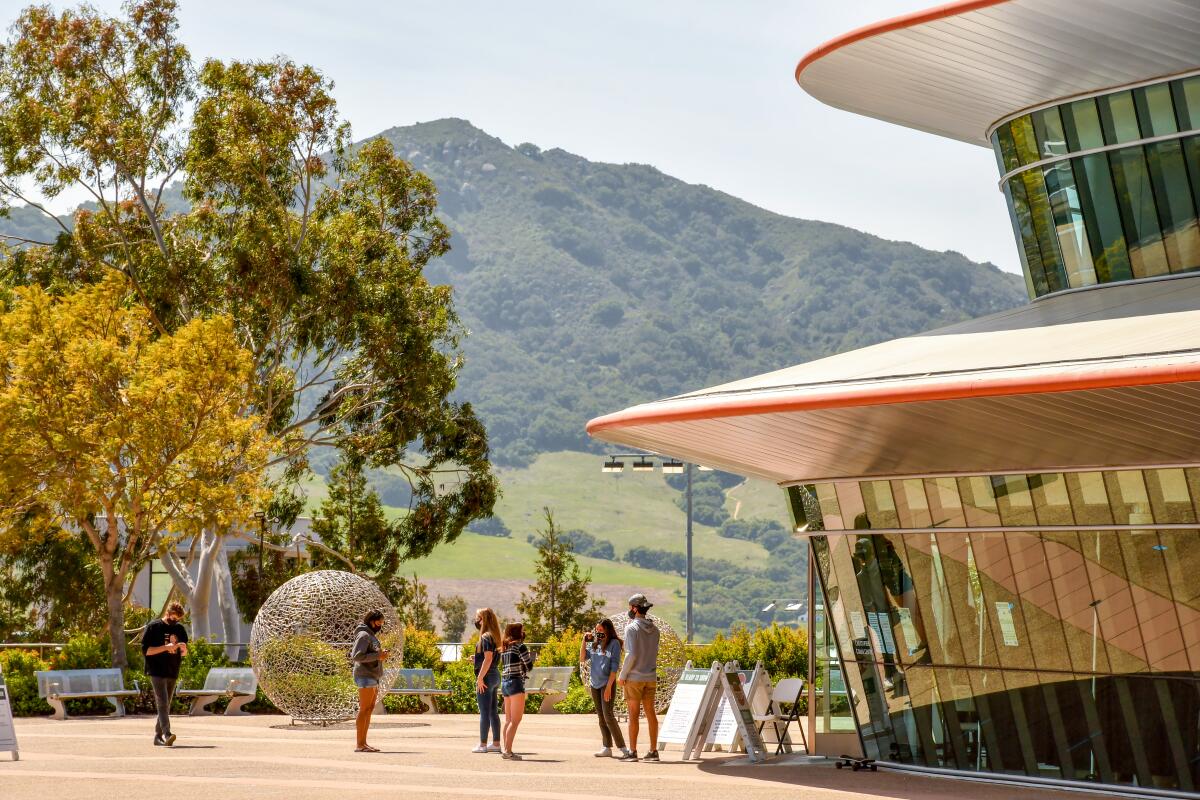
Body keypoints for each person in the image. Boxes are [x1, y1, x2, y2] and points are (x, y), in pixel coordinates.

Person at [617, 593, 660, 762]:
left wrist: (623, 675)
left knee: (633, 714)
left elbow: (631, 654)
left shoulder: (631, 628)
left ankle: (633, 751)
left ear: (634, 608)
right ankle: (653, 750)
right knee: (651, 714)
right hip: (651, 676)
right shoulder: (655, 630)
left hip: (634, 676)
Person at [580, 618, 630, 758]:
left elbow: (614, 667)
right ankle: (606, 746)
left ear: (608, 630)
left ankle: (623, 748)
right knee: (601, 716)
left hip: (607, 683)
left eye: (601, 630)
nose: (598, 632)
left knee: (608, 715)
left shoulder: (614, 644)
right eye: (597, 630)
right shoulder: (595, 644)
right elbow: (582, 658)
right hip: (594, 683)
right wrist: (584, 641)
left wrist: (609, 687)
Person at [141, 601, 189, 747]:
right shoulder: (153, 627)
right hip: (156, 670)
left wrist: (182, 647)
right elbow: (147, 651)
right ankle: (167, 733)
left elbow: (185, 653)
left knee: (166, 704)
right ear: (167, 613)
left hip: (172, 669)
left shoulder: (180, 629)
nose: (174, 622)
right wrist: (165, 647)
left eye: (177, 620)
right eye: (173, 618)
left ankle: (157, 736)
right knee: (162, 702)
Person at [349, 609, 390, 752]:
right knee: (364, 709)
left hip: (373, 676)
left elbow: (371, 653)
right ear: (372, 621)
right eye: (379, 622)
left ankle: (364, 743)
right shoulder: (364, 635)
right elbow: (357, 656)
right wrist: (378, 656)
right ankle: (359, 744)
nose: (380, 625)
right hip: (365, 675)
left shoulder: (370, 635)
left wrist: (380, 655)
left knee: (369, 709)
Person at [499, 622, 534, 760]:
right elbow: (529, 665)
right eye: (522, 630)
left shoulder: (506, 647)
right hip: (515, 682)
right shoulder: (520, 646)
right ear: (518, 632)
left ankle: (505, 749)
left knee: (508, 720)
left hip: (505, 682)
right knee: (516, 720)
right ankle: (508, 751)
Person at [472, 608, 503, 754]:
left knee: (484, 711)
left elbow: (488, 658)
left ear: (483, 619)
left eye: (478, 618)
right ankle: (496, 744)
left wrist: (479, 678)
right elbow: (489, 657)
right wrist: (476, 659)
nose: (476, 621)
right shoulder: (495, 636)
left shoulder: (485, 636)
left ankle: (482, 744)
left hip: (487, 677)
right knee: (492, 712)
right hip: (495, 675)